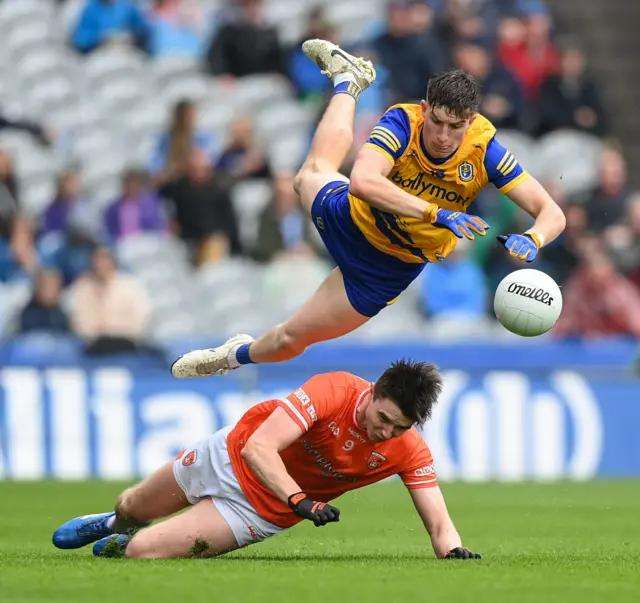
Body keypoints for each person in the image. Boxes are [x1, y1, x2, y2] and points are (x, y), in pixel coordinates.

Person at [171, 39, 566, 379]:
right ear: (426, 108)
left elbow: (552, 213)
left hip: (386, 270)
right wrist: (436, 214)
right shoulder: (401, 121)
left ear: (471, 120)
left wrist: (534, 237)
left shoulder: (485, 149)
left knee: (291, 341)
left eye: (456, 127)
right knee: (308, 175)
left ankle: (229, 356)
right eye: (439, 122)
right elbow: (362, 181)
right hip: (351, 218)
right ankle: (349, 81)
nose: (445, 136)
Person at [52, 360, 481, 560]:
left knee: (144, 552)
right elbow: (260, 448)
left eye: (400, 428)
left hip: (258, 511)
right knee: (132, 507)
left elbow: (440, 525)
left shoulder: (408, 450)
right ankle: (114, 523)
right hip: (229, 454)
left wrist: (454, 551)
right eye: (384, 419)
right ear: (372, 393)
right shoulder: (333, 389)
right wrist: (301, 500)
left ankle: (130, 541)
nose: (385, 433)